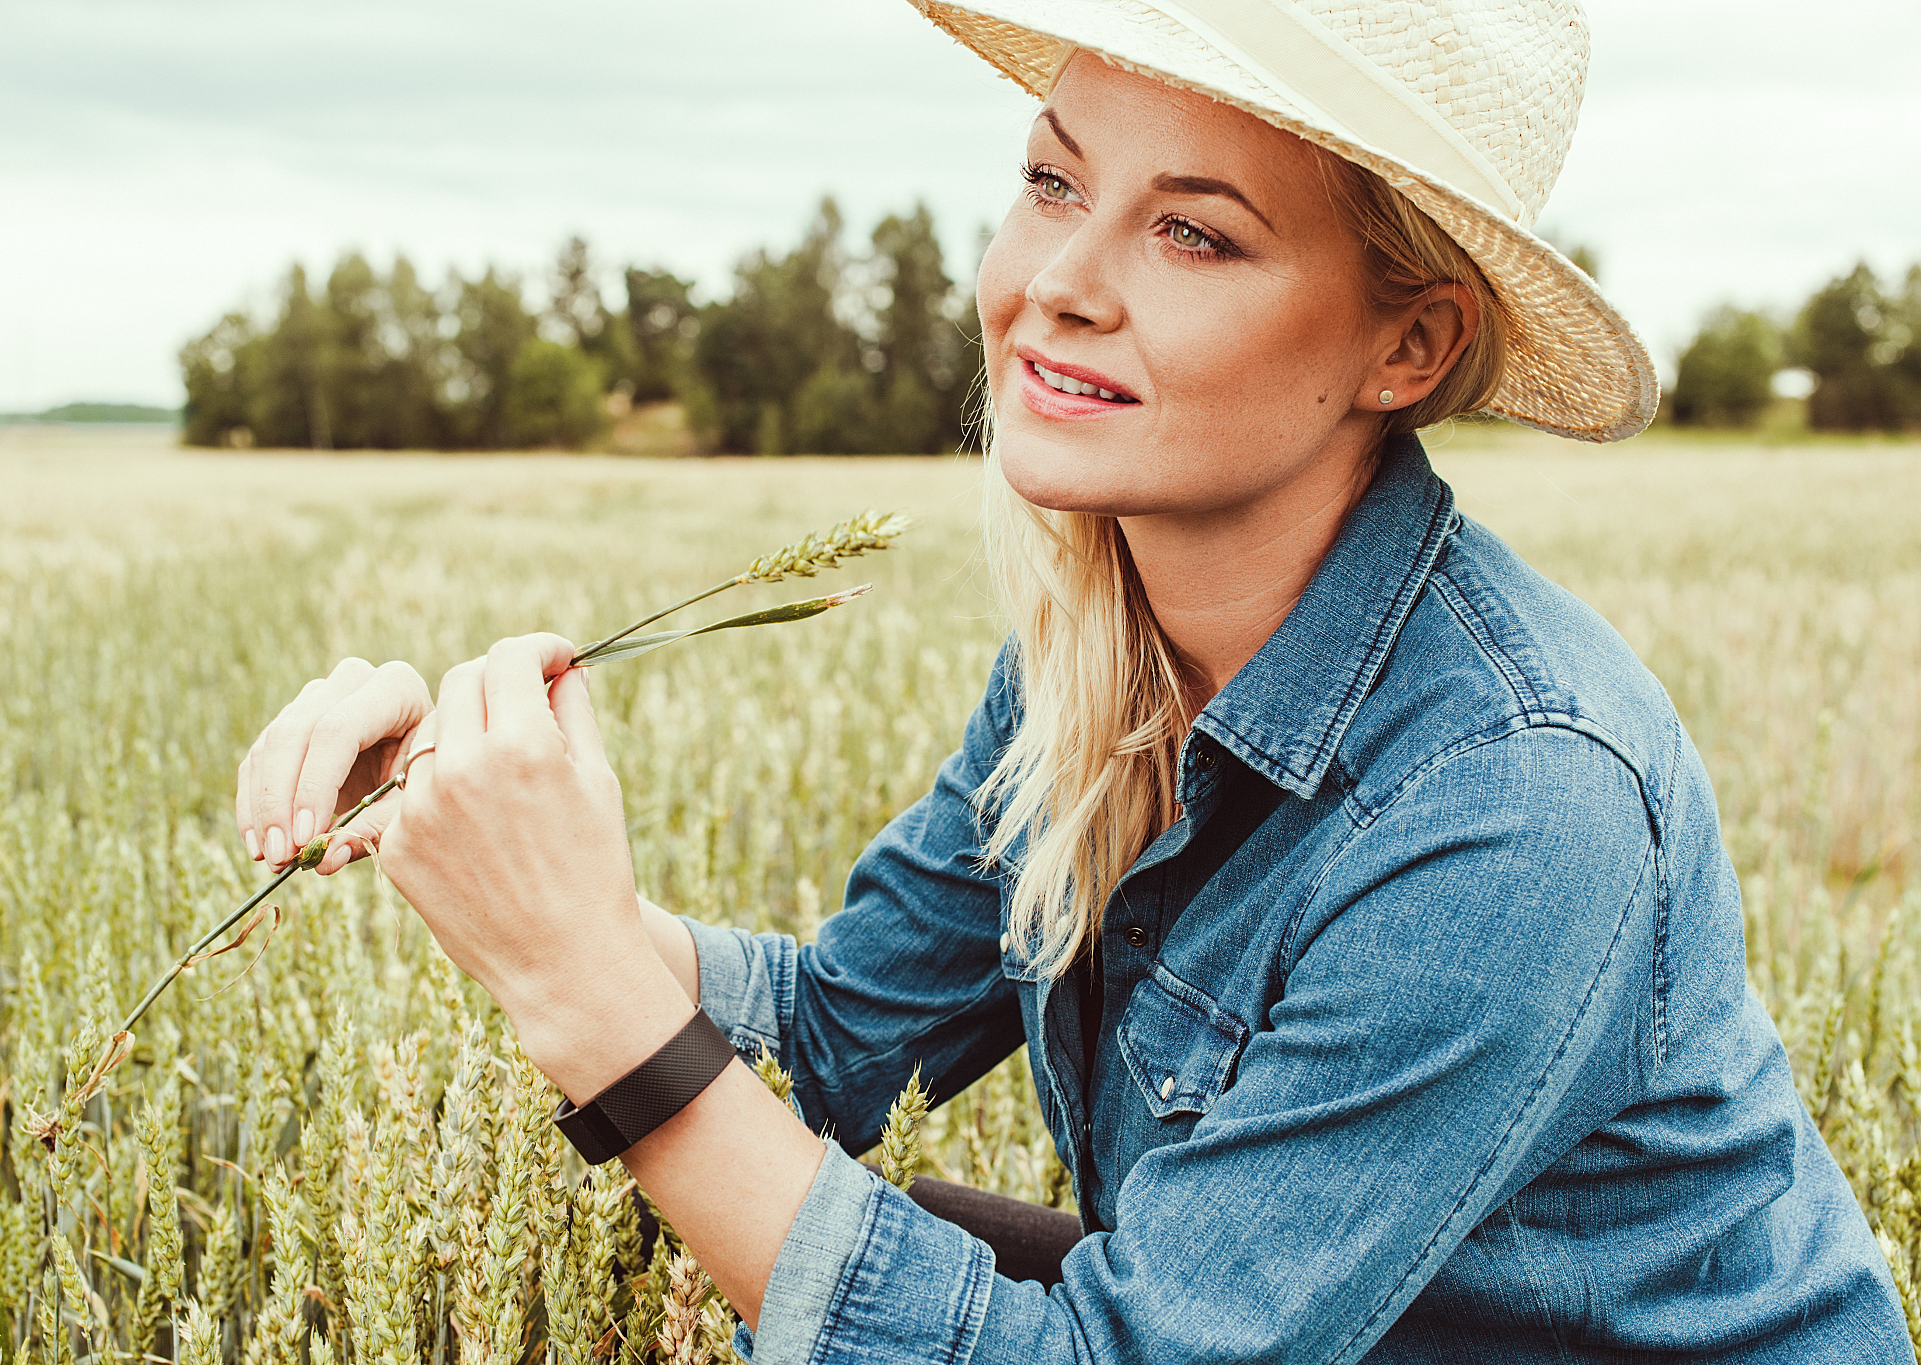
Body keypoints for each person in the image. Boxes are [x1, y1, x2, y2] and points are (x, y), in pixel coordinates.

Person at [234, 0, 1911, 1358]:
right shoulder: (1094, 669)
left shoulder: (1515, 793)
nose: (1059, 285)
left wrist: (590, 993)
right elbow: (834, 1030)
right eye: (1052, 183)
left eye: (1194, 233)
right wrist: (512, 848)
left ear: (1405, 346)